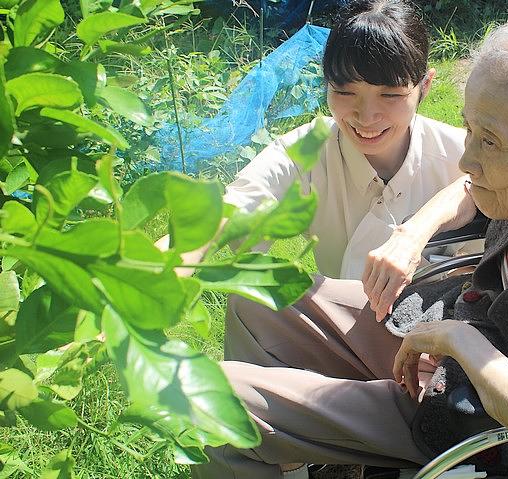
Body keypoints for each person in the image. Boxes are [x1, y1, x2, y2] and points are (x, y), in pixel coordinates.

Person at [193, 5, 508, 479]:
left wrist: (461, 341)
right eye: (468, 131)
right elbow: (464, 189)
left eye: (489, 140)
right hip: (442, 356)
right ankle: (287, 449)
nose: (466, 161)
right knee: (256, 299)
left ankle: (270, 437)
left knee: (208, 400)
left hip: (467, 423)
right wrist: (418, 237)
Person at [157, 0, 469, 282]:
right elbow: (226, 212)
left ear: (425, 86)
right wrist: (145, 272)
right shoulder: (306, 152)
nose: (366, 116)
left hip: (435, 329)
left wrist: (420, 230)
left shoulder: (461, 157)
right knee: (248, 304)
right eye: (345, 92)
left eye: (390, 95)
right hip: (336, 326)